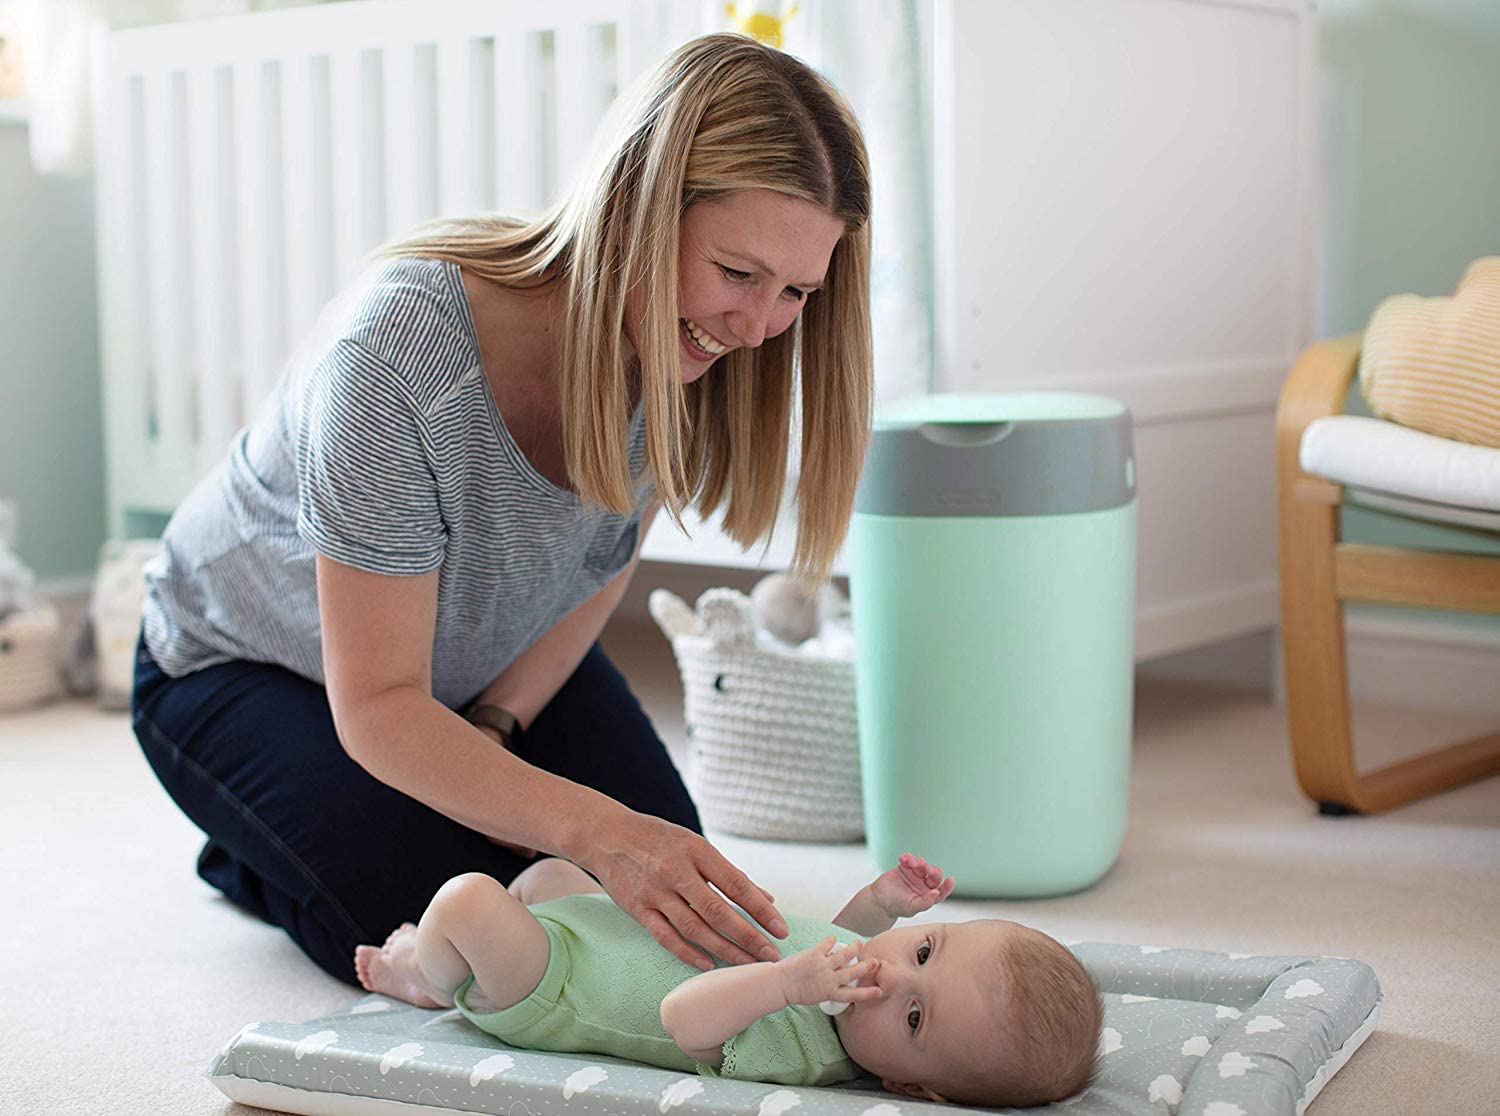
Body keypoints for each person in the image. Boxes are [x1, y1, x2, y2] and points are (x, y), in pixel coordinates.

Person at [130, 31, 873, 985]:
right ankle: (252, 842)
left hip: (454, 672)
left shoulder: (698, 355)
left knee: (669, 913)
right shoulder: (397, 355)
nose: (759, 326)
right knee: (464, 930)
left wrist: (501, 726)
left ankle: (302, 824)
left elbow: (592, 572)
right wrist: (589, 827)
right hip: (243, 664)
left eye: (797, 292)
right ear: (637, 207)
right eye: (737, 274)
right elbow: (381, 703)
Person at [355, 852, 1103, 1108]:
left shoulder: (804, 1052)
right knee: (551, 876)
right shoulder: (855, 970)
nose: (886, 973)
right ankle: (461, 963)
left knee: (466, 900)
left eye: (913, 1019)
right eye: (927, 951)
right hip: (601, 932)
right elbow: (842, 939)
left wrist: (785, 986)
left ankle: (422, 975)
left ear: (910, 1087)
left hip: (551, 990)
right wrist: (881, 906)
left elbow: (685, 1017)